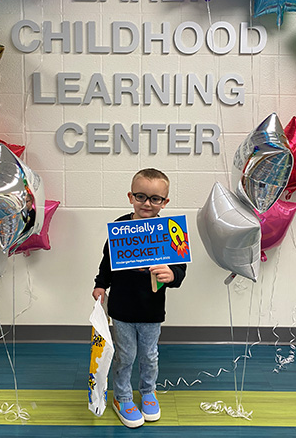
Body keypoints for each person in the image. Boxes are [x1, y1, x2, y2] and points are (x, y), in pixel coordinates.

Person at [92, 168, 187, 428]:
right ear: (130, 196)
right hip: (122, 309)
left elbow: (180, 269)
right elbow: (106, 262)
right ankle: (121, 396)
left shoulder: (170, 232)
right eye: (141, 196)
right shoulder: (120, 229)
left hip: (152, 310)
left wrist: (172, 273)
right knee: (125, 356)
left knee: (149, 355)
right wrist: (101, 285)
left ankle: (147, 391)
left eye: (155, 198)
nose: (147, 203)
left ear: (165, 202)